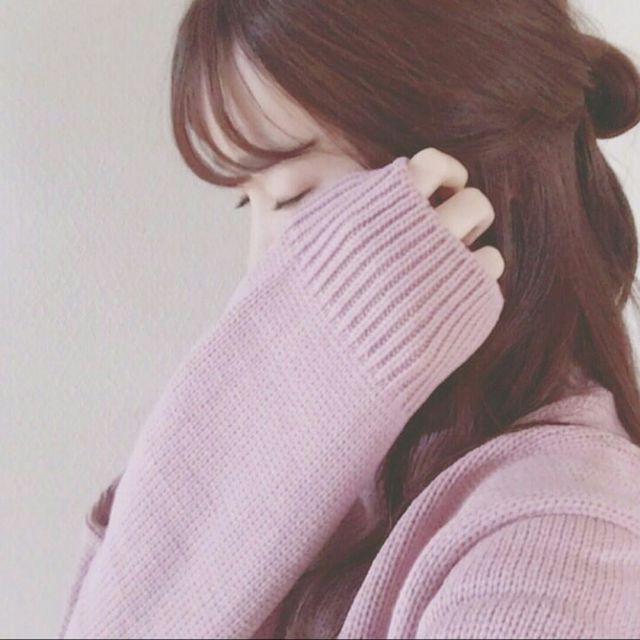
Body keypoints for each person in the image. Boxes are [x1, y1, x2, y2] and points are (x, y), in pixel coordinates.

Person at [58, 1, 640, 638]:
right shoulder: (334, 481)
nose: (262, 267)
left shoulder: (562, 539)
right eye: (247, 204)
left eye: (294, 194)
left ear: (465, 175)